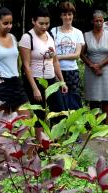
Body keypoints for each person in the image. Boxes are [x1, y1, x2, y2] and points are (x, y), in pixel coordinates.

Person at [19, 7, 68, 137]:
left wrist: (62, 82)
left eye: (47, 23)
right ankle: (41, 148)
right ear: (33, 21)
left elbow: (55, 61)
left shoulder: (50, 36)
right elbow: (26, 65)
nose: (44, 26)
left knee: (59, 112)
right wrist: (35, 88)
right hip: (35, 80)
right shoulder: (27, 37)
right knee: (39, 116)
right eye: (41, 23)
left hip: (51, 79)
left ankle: (56, 143)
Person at [81, 10, 108, 124]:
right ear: (92, 21)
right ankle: (94, 124)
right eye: (96, 21)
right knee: (93, 99)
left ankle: (107, 124)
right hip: (91, 71)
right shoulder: (86, 35)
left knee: (107, 98)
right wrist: (92, 65)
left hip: (106, 70)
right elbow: (81, 54)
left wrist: (99, 65)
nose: (99, 23)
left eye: (101, 20)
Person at [50, 1, 84, 110]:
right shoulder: (54, 31)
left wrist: (58, 57)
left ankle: (75, 125)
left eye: (69, 14)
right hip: (56, 70)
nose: (67, 17)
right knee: (58, 100)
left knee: (74, 100)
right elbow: (50, 53)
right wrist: (55, 57)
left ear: (73, 15)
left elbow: (77, 55)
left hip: (72, 71)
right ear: (61, 16)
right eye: (64, 14)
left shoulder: (78, 33)